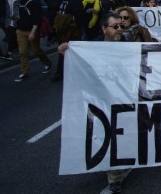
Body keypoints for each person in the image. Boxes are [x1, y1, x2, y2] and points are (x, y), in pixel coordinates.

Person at [58, 13, 129, 193]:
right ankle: (113, 173)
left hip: (122, 98)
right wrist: (66, 51)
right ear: (104, 29)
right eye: (115, 26)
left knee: (120, 134)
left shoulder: (129, 46)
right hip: (99, 100)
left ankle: (117, 171)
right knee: (106, 134)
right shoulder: (90, 47)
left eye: (122, 26)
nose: (120, 29)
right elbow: (78, 66)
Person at [15, 0, 53, 82]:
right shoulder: (18, 3)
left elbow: (37, 18)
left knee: (36, 50)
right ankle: (24, 72)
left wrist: (33, 32)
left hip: (31, 30)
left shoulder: (34, 3)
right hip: (20, 30)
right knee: (23, 52)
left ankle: (47, 62)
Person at [51, 0, 85, 82]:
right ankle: (61, 72)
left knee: (70, 52)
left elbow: (78, 18)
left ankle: (68, 73)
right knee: (62, 52)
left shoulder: (76, 1)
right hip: (63, 31)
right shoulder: (65, 0)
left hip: (71, 32)